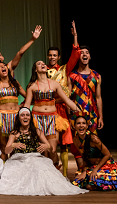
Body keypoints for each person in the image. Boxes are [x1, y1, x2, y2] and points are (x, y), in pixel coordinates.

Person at [0, 107, 88, 196]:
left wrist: (45, 145)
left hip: (35, 157)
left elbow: (48, 146)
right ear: (19, 118)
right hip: (18, 159)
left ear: (30, 118)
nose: (25, 117)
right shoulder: (14, 133)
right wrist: (13, 144)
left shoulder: (37, 131)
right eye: (23, 115)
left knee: (40, 169)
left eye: (27, 115)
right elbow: (6, 150)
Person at [23, 60, 79, 167]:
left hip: (52, 119)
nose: (43, 64)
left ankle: (54, 173)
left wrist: (79, 111)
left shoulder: (54, 84)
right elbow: (27, 104)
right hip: (36, 120)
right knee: (42, 150)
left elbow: (67, 101)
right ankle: (43, 175)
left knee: (52, 150)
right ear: (35, 70)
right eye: (39, 64)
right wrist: (23, 119)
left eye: (43, 63)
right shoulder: (32, 86)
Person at [46, 20, 81, 177]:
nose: (52, 57)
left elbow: (75, 55)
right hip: (48, 110)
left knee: (65, 144)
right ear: (47, 56)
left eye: (55, 55)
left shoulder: (63, 69)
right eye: (50, 55)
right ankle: (51, 172)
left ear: (58, 57)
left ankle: (65, 175)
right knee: (48, 143)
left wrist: (75, 36)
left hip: (61, 110)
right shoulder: (42, 70)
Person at [68, 22, 103, 133]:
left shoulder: (96, 76)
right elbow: (68, 98)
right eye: (82, 53)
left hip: (92, 114)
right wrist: (69, 116)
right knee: (77, 146)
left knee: (93, 143)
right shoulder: (72, 76)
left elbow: (98, 97)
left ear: (90, 57)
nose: (84, 54)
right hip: (76, 114)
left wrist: (101, 117)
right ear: (78, 57)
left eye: (87, 53)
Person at [71, 114, 117, 191]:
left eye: (83, 123)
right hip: (91, 166)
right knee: (77, 182)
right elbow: (84, 156)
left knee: (89, 185)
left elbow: (107, 154)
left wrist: (95, 170)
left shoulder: (94, 138)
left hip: (105, 166)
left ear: (87, 126)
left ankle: (113, 182)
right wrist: (85, 171)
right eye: (78, 123)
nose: (81, 125)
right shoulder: (75, 140)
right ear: (74, 126)